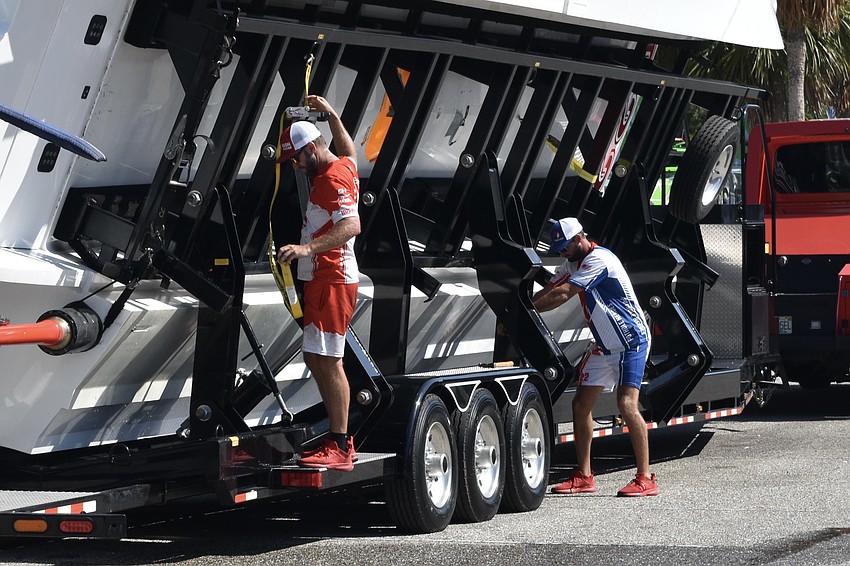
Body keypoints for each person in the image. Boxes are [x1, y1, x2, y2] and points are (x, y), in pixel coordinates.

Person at [537, 217, 658, 497]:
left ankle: (646, 477)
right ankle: (584, 476)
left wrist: (525, 314)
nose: (560, 253)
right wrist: (522, 307)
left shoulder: (599, 260)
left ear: (579, 238)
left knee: (627, 404)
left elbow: (564, 294)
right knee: (580, 405)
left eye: (564, 247)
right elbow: (551, 288)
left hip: (631, 341)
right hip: (605, 345)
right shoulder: (571, 262)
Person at [276, 95, 360, 472]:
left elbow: (352, 225)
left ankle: (339, 444)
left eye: (296, 158)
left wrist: (306, 247)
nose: (295, 165)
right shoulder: (343, 165)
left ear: (311, 149)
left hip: (332, 279)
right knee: (318, 357)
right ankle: (340, 440)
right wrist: (333, 115)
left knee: (328, 361)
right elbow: (349, 149)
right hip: (324, 279)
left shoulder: (330, 179)